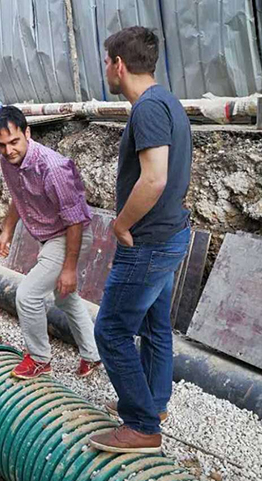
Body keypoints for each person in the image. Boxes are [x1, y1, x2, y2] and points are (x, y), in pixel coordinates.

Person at [88, 26, 192, 454]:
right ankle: (156, 402)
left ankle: (142, 425)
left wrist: (121, 225)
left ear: (119, 65)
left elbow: (154, 178)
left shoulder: (147, 109)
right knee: (154, 326)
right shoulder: (167, 101)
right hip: (170, 235)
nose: (106, 70)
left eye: (105, 62)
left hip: (147, 241)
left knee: (110, 330)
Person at [0, 106, 100, 380]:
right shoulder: (8, 162)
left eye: (14, 142)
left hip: (69, 234)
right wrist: (6, 231)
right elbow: (19, 196)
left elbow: (75, 220)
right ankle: (94, 354)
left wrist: (69, 268)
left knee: (28, 296)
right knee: (65, 300)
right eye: (2, 145)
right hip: (50, 236)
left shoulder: (53, 167)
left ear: (27, 132)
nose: (9, 150)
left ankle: (39, 359)